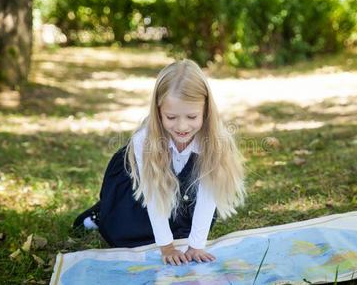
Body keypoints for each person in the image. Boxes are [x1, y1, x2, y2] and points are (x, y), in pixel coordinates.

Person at [73, 59, 245, 266]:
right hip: (138, 189)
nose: (182, 126)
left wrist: (196, 244)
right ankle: (102, 212)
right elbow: (154, 196)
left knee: (185, 229)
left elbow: (208, 194)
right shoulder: (144, 141)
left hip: (183, 191)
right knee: (126, 231)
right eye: (171, 117)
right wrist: (166, 246)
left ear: (206, 110)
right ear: (158, 111)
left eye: (192, 116)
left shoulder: (215, 139)